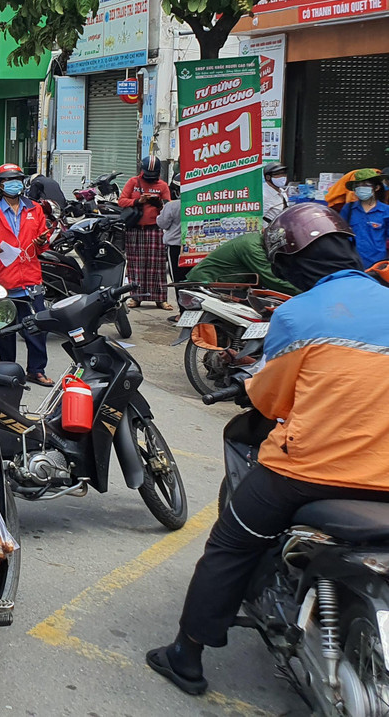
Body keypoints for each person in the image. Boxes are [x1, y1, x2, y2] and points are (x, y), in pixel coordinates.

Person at [147, 203, 389, 698]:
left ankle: (186, 657)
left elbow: (270, 399)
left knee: (230, 545)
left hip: (308, 470)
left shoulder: (298, 314)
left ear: (291, 263)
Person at [0, 164, 53, 386]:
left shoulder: (34, 209)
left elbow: (42, 242)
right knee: (5, 329)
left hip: (30, 278)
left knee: (37, 326)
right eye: (9, 181)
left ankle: (36, 370)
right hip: (2, 280)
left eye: (17, 179)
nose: (14, 184)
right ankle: (7, 370)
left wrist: (41, 242)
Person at [119, 156, 173, 310]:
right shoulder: (133, 182)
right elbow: (121, 201)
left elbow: (168, 207)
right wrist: (137, 201)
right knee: (136, 265)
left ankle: (160, 299)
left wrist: (159, 203)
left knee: (157, 265)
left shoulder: (162, 186)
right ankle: (136, 298)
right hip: (135, 230)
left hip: (154, 230)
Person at [184, 229, 298, 295]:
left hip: (221, 284)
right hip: (207, 282)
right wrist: (304, 291)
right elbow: (271, 278)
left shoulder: (255, 239)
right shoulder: (252, 247)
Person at [339, 168, 389, 268]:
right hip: (351, 263)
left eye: (365, 185)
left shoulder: (386, 211)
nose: (361, 188)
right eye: (358, 186)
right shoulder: (348, 209)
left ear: (376, 187)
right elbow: (340, 235)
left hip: (377, 264)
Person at [155, 179, 186, 291]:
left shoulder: (172, 206)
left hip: (175, 248)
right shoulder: (200, 204)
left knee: (178, 281)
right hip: (196, 248)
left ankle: (182, 307)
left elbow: (162, 223)